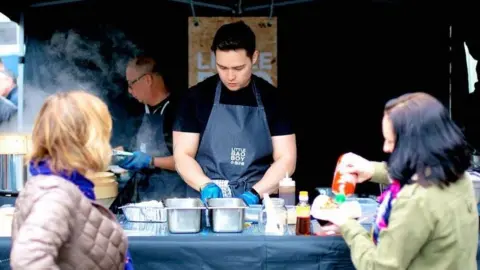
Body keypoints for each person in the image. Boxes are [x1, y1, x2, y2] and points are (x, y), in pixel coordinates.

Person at [316, 92, 478, 269]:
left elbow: (379, 267)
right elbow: (415, 172)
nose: (385, 148)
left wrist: (347, 224)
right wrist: (372, 170)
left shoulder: (415, 201)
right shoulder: (458, 175)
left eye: (391, 141)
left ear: (415, 143)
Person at [173, 21, 297, 205]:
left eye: (238, 68)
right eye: (222, 67)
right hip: (207, 202)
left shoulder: (274, 99)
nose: (230, 76)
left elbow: (286, 158)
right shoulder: (196, 97)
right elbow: (182, 155)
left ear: (254, 57)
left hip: (258, 200)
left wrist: (255, 194)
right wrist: (205, 185)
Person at [10, 90, 133, 269]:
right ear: (86, 139)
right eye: (103, 134)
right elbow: (28, 261)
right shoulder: (56, 194)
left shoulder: (64, 187)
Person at [116, 56, 190, 201]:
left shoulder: (180, 111)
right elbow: (142, 148)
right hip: (143, 195)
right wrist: (125, 153)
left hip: (172, 197)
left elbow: (188, 160)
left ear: (148, 80)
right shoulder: (140, 110)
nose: (130, 91)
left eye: (131, 84)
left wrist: (150, 161)